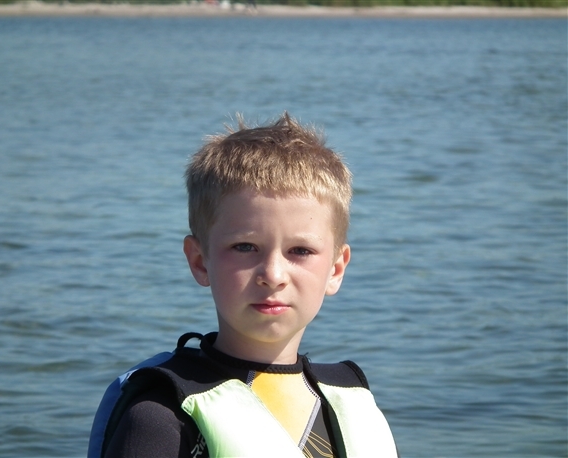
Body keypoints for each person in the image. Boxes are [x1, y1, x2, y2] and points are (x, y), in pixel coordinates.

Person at [88, 114, 399, 458]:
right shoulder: (161, 416)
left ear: (336, 269)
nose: (273, 274)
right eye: (245, 247)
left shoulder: (355, 403)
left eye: (300, 251)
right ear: (200, 261)